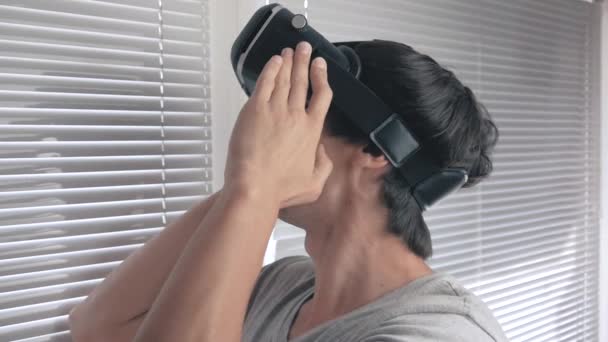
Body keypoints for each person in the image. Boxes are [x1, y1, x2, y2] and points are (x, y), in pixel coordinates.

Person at [68, 40, 507, 342]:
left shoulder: (437, 333)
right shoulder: (281, 286)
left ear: (375, 148)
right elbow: (99, 327)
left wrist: (256, 187)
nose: (274, 135)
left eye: (301, 113)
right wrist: (247, 185)